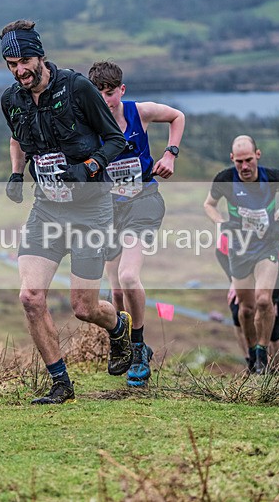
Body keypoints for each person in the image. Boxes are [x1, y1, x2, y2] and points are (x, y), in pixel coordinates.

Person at [0, 20, 132, 404]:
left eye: (24, 60)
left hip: (91, 209)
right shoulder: (12, 99)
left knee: (84, 308)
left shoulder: (77, 88)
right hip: (47, 209)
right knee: (30, 296)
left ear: (40, 55)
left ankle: (118, 325)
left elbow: (115, 140)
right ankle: (61, 382)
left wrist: (88, 167)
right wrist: (15, 173)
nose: (19, 70)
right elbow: (18, 138)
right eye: (11, 64)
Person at [87, 61, 185, 387]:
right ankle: (126, 346)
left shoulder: (139, 112)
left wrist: (170, 153)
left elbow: (177, 116)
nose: (105, 99)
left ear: (121, 90)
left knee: (129, 277)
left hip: (143, 201)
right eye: (98, 93)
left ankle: (140, 348)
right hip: (109, 211)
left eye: (110, 92)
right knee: (116, 292)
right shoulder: (88, 125)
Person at [203, 135, 279, 374]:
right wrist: (221, 224)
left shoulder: (274, 176)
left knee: (264, 300)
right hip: (239, 249)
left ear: (258, 155)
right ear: (232, 159)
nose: (244, 167)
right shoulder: (224, 179)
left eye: (248, 160)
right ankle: (253, 357)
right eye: (239, 162)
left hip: (267, 246)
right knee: (245, 309)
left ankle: (262, 354)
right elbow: (209, 204)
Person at [216, 233, 279, 372]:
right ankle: (251, 363)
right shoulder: (231, 230)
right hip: (245, 279)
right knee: (240, 312)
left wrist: (274, 300)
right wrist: (233, 281)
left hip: (271, 280)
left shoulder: (273, 233)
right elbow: (220, 253)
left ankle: (274, 369)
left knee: (273, 332)